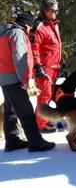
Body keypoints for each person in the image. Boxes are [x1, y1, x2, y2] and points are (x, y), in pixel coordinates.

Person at [0, 12, 55, 152]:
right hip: (14, 78)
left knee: (10, 110)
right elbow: (20, 58)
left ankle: (12, 140)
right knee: (26, 111)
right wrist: (25, 80)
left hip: (4, 77)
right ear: (27, 24)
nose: (30, 30)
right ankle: (36, 142)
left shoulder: (4, 31)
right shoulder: (17, 33)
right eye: (30, 27)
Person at [30, 0, 62, 133]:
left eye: (56, 10)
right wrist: (38, 66)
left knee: (48, 95)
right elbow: (34, 48)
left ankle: (42, 119)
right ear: (44, 10)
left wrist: (60, 61)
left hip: (54, 66)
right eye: (52, 10)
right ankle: (41, 124)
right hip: (45, 67)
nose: (55, 12)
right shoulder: (39, 26)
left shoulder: (53, 24)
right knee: (44, 95)